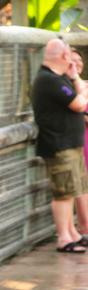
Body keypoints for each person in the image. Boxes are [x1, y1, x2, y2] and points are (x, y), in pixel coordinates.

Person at [31, 39, 88, 253]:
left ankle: (72, 232)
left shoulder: (59, 78)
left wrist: (73, 76)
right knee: (63, 192)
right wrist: (77, 84)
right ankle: (64, 237)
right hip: (58, 143)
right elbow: (80, 103)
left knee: (72, 189)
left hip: (70, 143)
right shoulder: (48, 79)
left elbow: (80, 94)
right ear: (64, 56)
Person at [70, 48, 88, 234]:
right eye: (72, 60)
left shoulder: (84, 86)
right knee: (83, 183)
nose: (77, 64)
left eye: (79, 60)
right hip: (81, 140)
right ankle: (84, 226)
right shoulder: (66, 86)